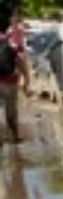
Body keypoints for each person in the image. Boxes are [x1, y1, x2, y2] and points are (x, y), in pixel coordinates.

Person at [1, 10, 29, 145]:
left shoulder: (8, 35)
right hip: (10, 81)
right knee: (10, 111)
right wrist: (26, 79)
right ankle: (14, 137)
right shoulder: (10, 44)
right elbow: (20, 61)